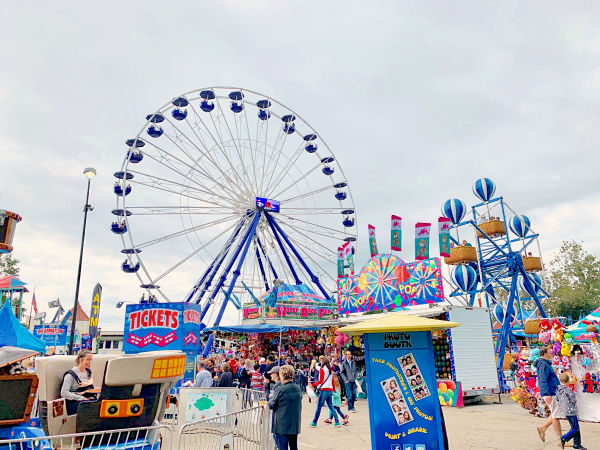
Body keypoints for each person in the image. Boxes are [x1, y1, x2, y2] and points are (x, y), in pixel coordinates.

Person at [268, 365, 302, 450]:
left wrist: (271, 398)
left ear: (282, 375)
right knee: (294, 447)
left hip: (282, 425)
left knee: (283, 447)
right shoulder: (297, 388)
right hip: (294, 423)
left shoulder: (281, 389)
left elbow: (271, 404)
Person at [534, 346, 563, 443]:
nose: (552, 355)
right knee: (555, 415)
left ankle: (543, 428)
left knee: (555, 413)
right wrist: (546, 393)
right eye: (550, 353)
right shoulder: (543, 365)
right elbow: (543, 380)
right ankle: (561, 440)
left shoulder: (544, 364)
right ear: (545, 354)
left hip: (552, 391)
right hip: (550, 392)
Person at [556, 372, 586, 449]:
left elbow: (557, 399)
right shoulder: (567, 390)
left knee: (576, 427)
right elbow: (572, 399)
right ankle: (564, 438)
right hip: (571, 411)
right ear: (568, 381)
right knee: (575, 428)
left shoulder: (558, 389)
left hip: (565, 411)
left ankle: (577, 444)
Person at [60, 350, 95, 415]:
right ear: (81, 360)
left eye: (91, 360)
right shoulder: (70, 375)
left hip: (86, 399)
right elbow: (64, 393)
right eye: (88, 360)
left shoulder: (88, 372)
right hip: (73, 402)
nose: (90, 362)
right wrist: (81, 398)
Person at [308, 356, 340, 427]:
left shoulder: (322, 369)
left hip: (324, 389)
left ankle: (314, 422)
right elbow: (332, 381)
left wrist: (313, 385)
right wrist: (333, 390)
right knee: (331, 406)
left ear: (323, 362)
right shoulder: (330, 370)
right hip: (330, 389)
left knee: (319, 406)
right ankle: (337, 421)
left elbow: (321, 381)